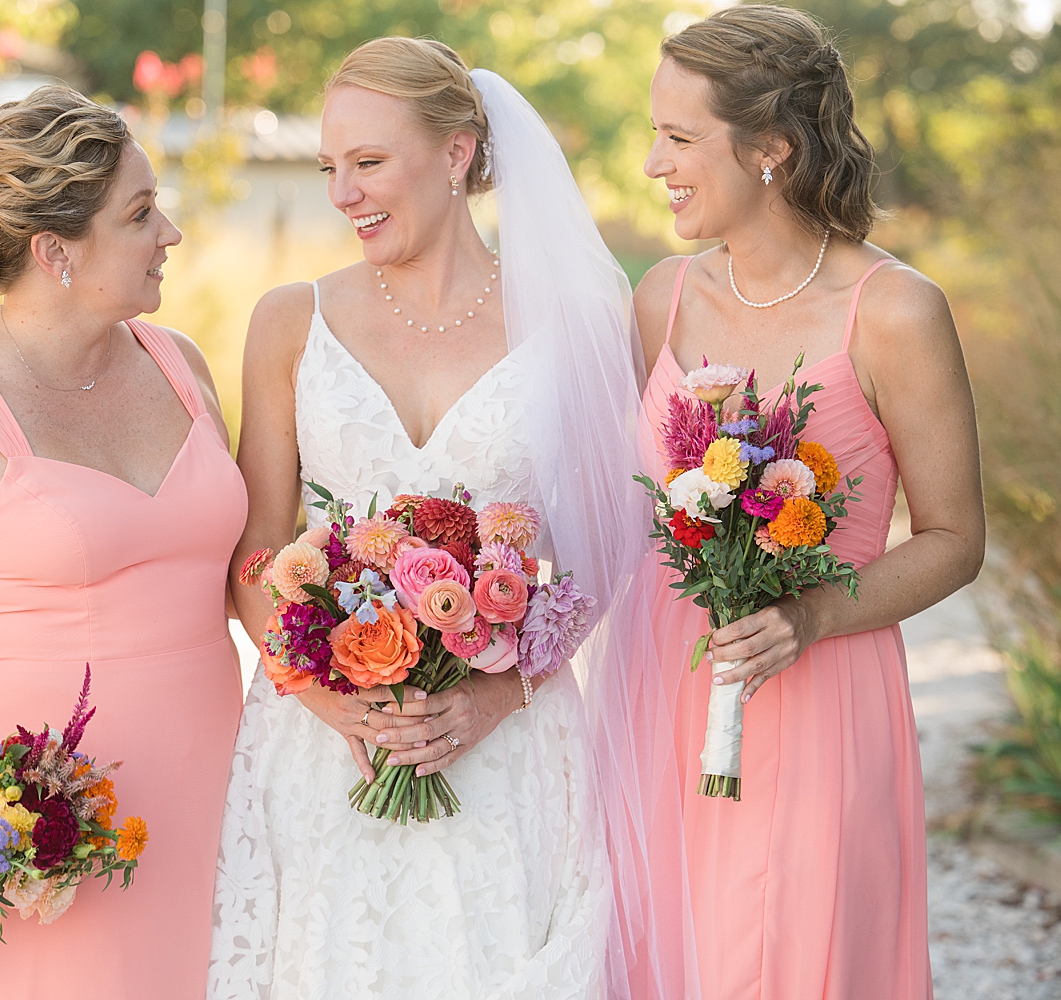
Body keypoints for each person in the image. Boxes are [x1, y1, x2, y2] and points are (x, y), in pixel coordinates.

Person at [209, 37, 693, 1000]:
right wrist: (328, 699)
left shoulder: (580, 320)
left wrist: (491, 698)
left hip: (509, 746)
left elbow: (610, 552)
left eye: (369, 162)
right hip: (323, 755)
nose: (343, 193)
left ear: (459, 152)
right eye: (330, 169)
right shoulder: (289, 321)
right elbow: (254, 556)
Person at [0, 85, 246, 997]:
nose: (169, 232)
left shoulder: (181, 365)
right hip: (42, 827)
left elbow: (239, 574)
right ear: (54, 249)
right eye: (141, 214)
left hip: (220, 788)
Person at [634, 7, 985, 998]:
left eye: (679, 137)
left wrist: (810, 613)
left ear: (771, 151)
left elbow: (957, 539)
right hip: (670, 688)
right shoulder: (660, 297)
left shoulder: (896, 311)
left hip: (822, 692)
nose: (653, 163)